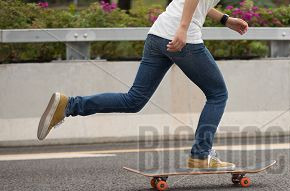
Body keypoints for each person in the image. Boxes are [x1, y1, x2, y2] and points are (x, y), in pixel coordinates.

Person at [37, 0, 249, 169]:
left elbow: (196, 3)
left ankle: (69, 105)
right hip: (181, 37)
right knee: (218, 94)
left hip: (158, 34)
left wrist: (225, 19)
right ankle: (201, 154)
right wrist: (183, 29)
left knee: (134, 100)